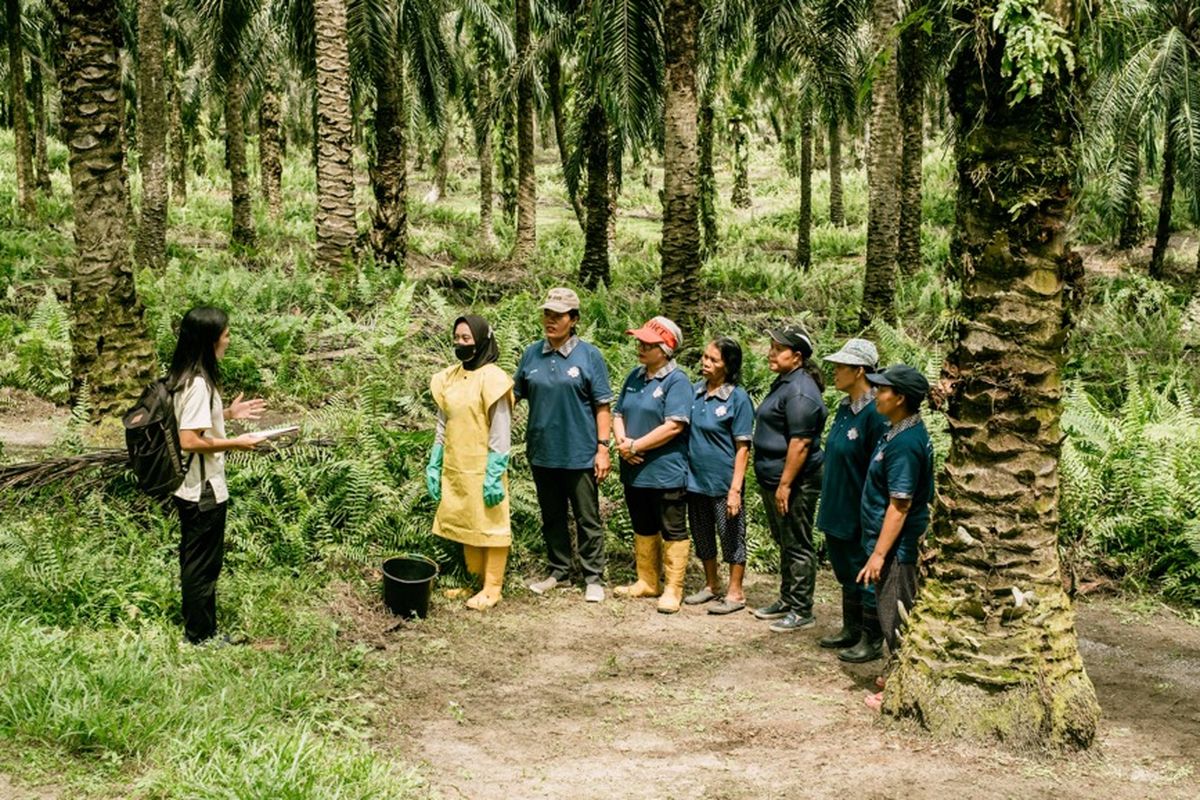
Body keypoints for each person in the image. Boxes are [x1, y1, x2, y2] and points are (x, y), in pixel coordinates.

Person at [168, 306, 266, 645]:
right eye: (225, 334)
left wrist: (227, 414)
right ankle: (200, 635)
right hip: (202, 488)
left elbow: (191, 421)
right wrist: (237, 442)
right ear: (210, 341)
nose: (229, 339)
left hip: (191, 486)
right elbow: (189, 439)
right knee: (202, 565)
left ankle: (199, 627)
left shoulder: (184, 375)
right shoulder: (198, 383)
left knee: (196, 559)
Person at [514, 288, 614, 603]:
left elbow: (602, 406)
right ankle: (558, 570)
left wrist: (603, 448)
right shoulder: (532, 354)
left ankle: (593, 576)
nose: (550, 321)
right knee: (552, 515)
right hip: (543, 451)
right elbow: (512, 396)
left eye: (558, 316)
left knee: (587, 516)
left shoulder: (589, 356)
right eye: (547, 314)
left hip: (580, 452)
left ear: (574, 319)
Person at [856, 364, 934, 711]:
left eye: (882, 389)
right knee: (893, 611)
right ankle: (896, 672)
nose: (876, 393)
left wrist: (879, 555)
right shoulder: (897, 431)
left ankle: (901, 689)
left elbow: (899, 506)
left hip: (898, 548)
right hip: (887, 542)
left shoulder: (905, 444)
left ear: (900, 398)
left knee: (895, 615)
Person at [426, 315, 515, 610]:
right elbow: (443, 422)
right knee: (467, 521)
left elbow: (501, 429)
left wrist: (494, 471)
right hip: (456, 464)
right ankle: (474, 583)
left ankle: (492, 588)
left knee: (490, 523)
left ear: (482, 340)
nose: (460, 343)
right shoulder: (448, 378)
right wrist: (435, 461)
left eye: (467, 338)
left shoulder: (493, 379)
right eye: (457, 337)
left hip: (484, 465)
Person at [816, 339, 890, 662]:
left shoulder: (876, 413)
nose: (834, 372)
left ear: (859, 371)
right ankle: (851, 628)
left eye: (840, 367)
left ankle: (871, 639)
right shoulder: (844, 408)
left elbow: (879, 467)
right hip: (836, 505)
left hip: (859, 511)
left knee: (866, 575)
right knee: (846, 571)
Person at [612, 315, 692, 614]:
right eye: (639, 342)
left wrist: (635, 445)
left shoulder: (677, 381)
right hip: (634, 469)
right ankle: (647, 581)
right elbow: (618, 412)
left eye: (648, 343)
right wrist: (623, 443)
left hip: (665, 472)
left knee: (672, 528)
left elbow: (674, 426)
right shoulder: (635, 376)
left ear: (666, 348)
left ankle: (673, 588)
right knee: (642, 524)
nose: (640, 347)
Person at [751, 323, 828, 632]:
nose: (771, 352)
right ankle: (787, 599)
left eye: (778, 348)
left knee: (797, 542)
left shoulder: (801, 391)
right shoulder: (785, 382)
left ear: (796, 356)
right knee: (784, 539)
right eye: (771, 346)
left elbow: (801, 442)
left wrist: (785, 484)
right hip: (775, 478)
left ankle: (802, 609)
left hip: (796, 481)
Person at [683, 337, 754, 615]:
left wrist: (735, 489)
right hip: (695, 481)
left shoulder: (738, 398)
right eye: (704, 357)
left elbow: (743, 448)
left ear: (729, 365)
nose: (705, 362)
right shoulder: (694, 393)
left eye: (713, 359)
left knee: (732, 536)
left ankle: (735, 592)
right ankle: (711, 584)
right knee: (702, 535)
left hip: (725, 483)